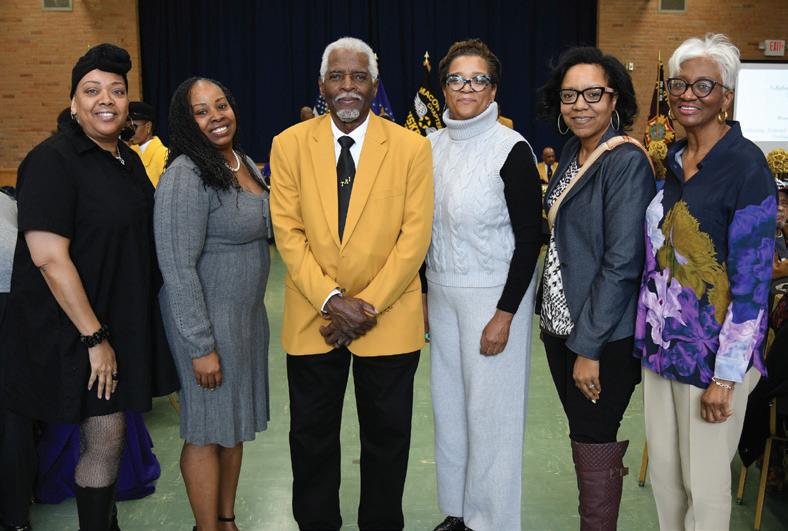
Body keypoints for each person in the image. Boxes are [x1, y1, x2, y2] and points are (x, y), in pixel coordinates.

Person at [0, 43, 179, 530]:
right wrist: (94, 338)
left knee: (109, 435)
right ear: (73, 103)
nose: (106, 100)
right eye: (92, 90)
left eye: (117, 91)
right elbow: (48, 258)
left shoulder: (127, 160)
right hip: (72, 329)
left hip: (115, 322)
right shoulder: (52, 161)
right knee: (105, 435)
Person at [269, 36, 433, 531]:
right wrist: (331, 300)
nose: (347, 86)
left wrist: (364, 307)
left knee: (387, 440)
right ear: (321, 85)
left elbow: (414, 238)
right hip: (313, 318)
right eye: (337, 76)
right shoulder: (288, 145)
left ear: (374, 86)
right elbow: (288, 232)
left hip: (388, 319)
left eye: (359, 77)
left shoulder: (411, 147)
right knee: (311, 439)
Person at [635, 33, 777, 530]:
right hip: (662, 351)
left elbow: (753, 283)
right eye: (679, 84)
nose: (687, 94)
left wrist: (726, 376)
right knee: (668, 483)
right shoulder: (673, 160)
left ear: (726, 97)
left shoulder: (746, 166)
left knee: (706, 488)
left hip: (714, 361)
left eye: (704, 85)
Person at [535, 46, 655, 529]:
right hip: (559, 327)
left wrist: (589, 348)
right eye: (570, 95)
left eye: (592, 93)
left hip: (601, 336)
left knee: (594, 435)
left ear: (614, 99)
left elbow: (623, 263)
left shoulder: (625, 162)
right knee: (585, 435)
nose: (580, 104)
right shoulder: (571, 153)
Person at [424, 39, 542, 531]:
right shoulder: (429, 147)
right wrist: (424, 294)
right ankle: (458, 511)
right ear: (444, 88)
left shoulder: (511, 149)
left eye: (478, 79)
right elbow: (420, 230)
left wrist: (505, 314)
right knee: (450, 409)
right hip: (441, 293)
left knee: (490, 417)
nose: (466, 88)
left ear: (493, 89)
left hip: (494, 298)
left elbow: (531, 238)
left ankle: (490, 521)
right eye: (456, 79)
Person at [155, 76, 271, 531]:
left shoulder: (242, 162)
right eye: (201, 111)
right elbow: (177, 267)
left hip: (244, 321)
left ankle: (226, 520)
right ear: (186, 122)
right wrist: (200, 345)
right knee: (206, 430)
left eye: (221, 105)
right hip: (205, 324)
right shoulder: (185, 175)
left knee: (232, 425)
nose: (216, 117)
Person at [0, 189, 35, 531]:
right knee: (13, 410)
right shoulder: (8, 202)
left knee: (12, 411)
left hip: (12, 291)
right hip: (18, 291)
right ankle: (16, 519)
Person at [126, 101, 168, 187]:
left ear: (148, 126)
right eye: (127, 128)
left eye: (133, 127)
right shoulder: (129, 152)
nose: (130, 132)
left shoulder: (164, 155)